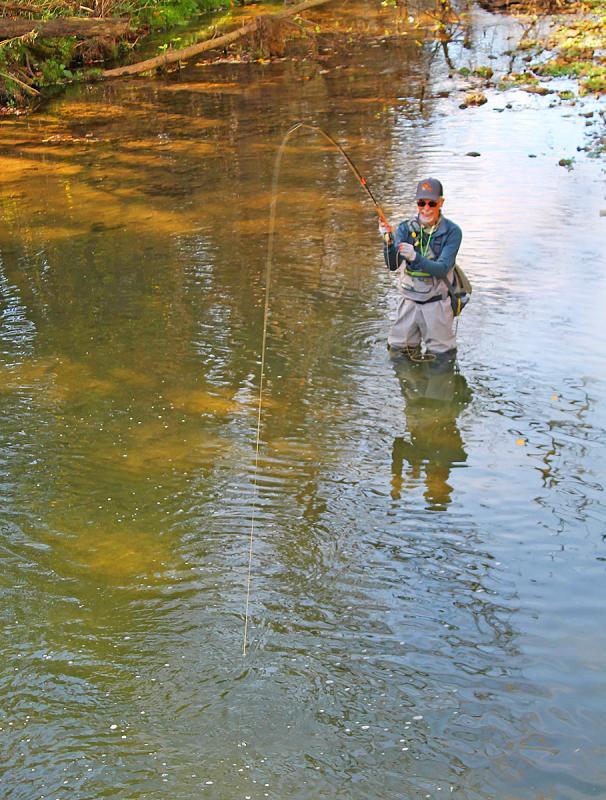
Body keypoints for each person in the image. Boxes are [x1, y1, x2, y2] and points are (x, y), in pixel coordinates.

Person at [379, 178, 462, 359]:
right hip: (408, 302)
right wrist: (387, 242)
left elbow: (442, 269)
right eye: (421, 203)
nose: (426, 208)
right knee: (398, 354)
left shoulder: (452, 232)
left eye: (432, 203)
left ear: (441, 203)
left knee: (442, 358)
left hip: (437, 304)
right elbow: (392, 265)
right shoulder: (404, 229)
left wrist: (415, 257)